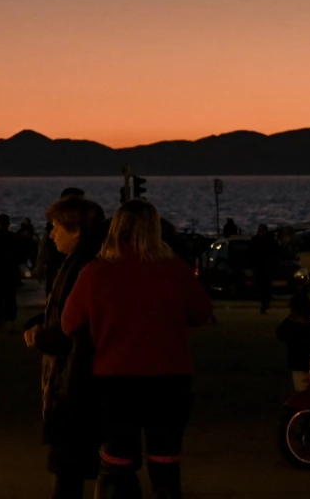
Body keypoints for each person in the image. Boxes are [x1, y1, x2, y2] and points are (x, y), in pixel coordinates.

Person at [61, 199, 213, 499]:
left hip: (115, 380)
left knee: (117, 463)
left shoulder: (96, 271)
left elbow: (69, 323)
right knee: (165, 464)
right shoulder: (176, 270)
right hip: (170, 380)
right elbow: (201, 313)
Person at [24, 194, 107, 499]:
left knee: (68, 465)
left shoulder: (83, 267)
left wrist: (44, 337)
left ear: (75, 230)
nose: (51, 234)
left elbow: (76, 325)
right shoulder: (81, 262)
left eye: (56, 227)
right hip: (77, 376)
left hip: (76, 379)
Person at [276, 271, 310, 392]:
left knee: (303, 388)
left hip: (299, 362)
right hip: (308, 362)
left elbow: (280, 334)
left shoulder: (293, 323)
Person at [246, 224, 281, 315]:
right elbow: (249, 254)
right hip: (259, 268)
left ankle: (265, 303)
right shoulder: (257, 241)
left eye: (261, 230)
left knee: (265, 286)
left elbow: (276, 254)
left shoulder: (269, 241)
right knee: (262, 286)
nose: (259, 232)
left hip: (266, 268)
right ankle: (265, 302)